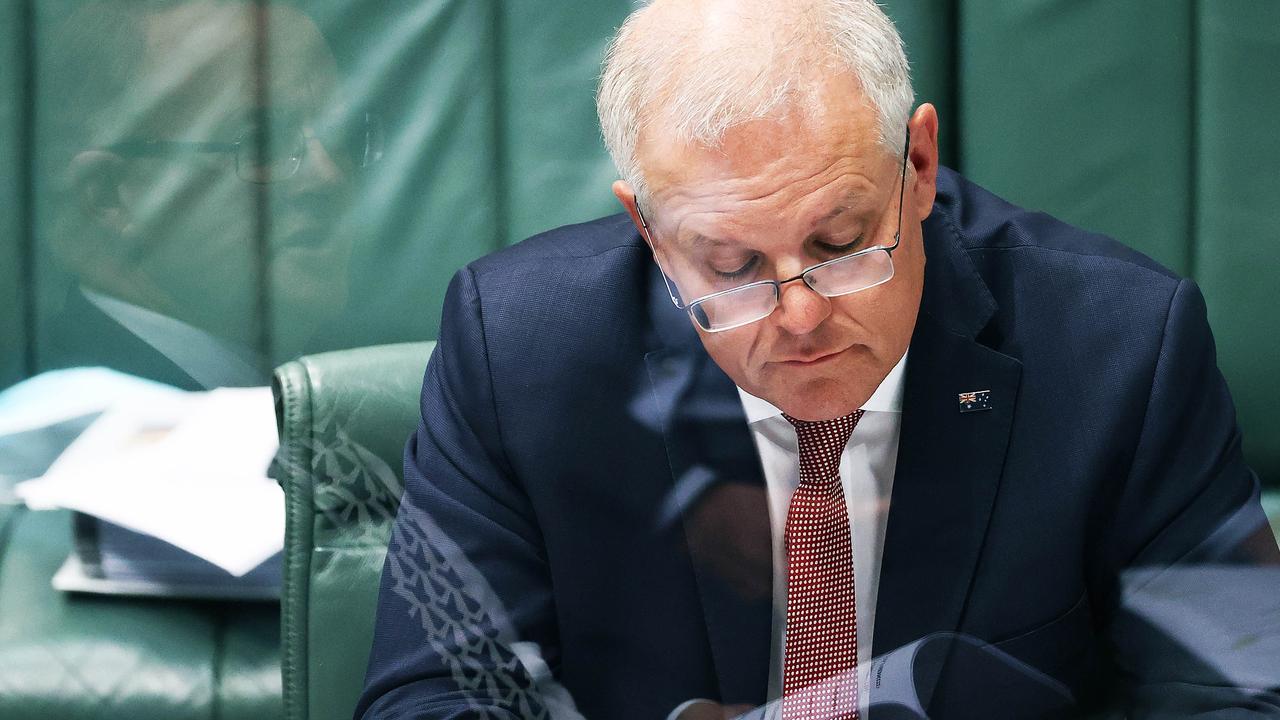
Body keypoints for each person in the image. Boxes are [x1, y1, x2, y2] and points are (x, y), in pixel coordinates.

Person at [357, 0, 1280, 718]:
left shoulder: (1121, 349)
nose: (799, 315)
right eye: (732, 266)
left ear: (916, 167)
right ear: (647, 227)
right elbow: (436, 694)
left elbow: (1240, 689)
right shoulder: (516, 347)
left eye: (840, 243)